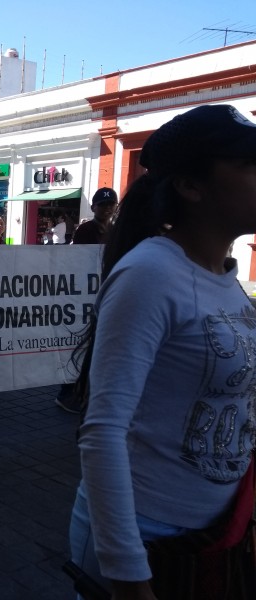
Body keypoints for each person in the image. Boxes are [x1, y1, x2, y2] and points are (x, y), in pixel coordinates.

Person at [68, 104, 256, 599]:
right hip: (147, 541)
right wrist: (130, 578)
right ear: (192, 187)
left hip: (216, 534)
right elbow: (103, 430)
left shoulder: (229, 281)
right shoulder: (151, 274)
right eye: (249, 165)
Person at [55, 187, 119, 414]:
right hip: (85, 296)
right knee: (80, 343)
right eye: (102, 205)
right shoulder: (85, 230)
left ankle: (87, 392)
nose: (107, 208)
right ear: (93, 207)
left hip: (107, 295)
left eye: (110, 204)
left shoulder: (115, 231)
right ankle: (68, 392)